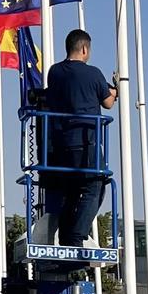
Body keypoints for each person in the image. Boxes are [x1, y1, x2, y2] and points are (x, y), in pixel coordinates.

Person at [44, 29, 116, 248]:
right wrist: (115, 90)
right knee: (95, 187)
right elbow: (108, 103)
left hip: (59, 143)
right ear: (85, 48)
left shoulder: (54, 72)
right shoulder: (94, 74)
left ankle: (66, 236)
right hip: (87, 142)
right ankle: (76, 237)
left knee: (71, 192)